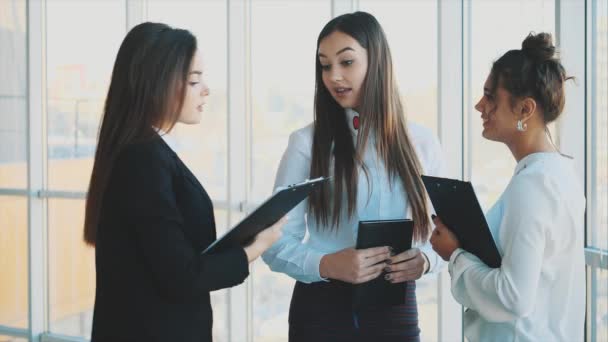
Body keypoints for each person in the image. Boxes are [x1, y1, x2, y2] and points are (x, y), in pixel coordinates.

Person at [83, 22, 285, 342]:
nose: (205, 89)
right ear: (155, 84)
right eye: (194, 80)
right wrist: (254, 247)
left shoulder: (140, 151)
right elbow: (182, 276)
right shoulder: (142, 159)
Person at [262, 12, 445, 341]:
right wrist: (328, 263)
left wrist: (426, 262)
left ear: (376, 62)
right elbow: (272, 242)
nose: (333, 76)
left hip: (396, 310)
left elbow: (448, 237)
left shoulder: (422, 143)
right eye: (325, 65)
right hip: (321, 311)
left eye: (346, 62)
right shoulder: (305, 144)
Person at [430, 32, 585, 341]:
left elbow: (512, 296)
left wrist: (456, 254)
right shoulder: (558, 173)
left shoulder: (533, 185)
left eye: (490, 96)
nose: (479, 105)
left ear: (525, 110)